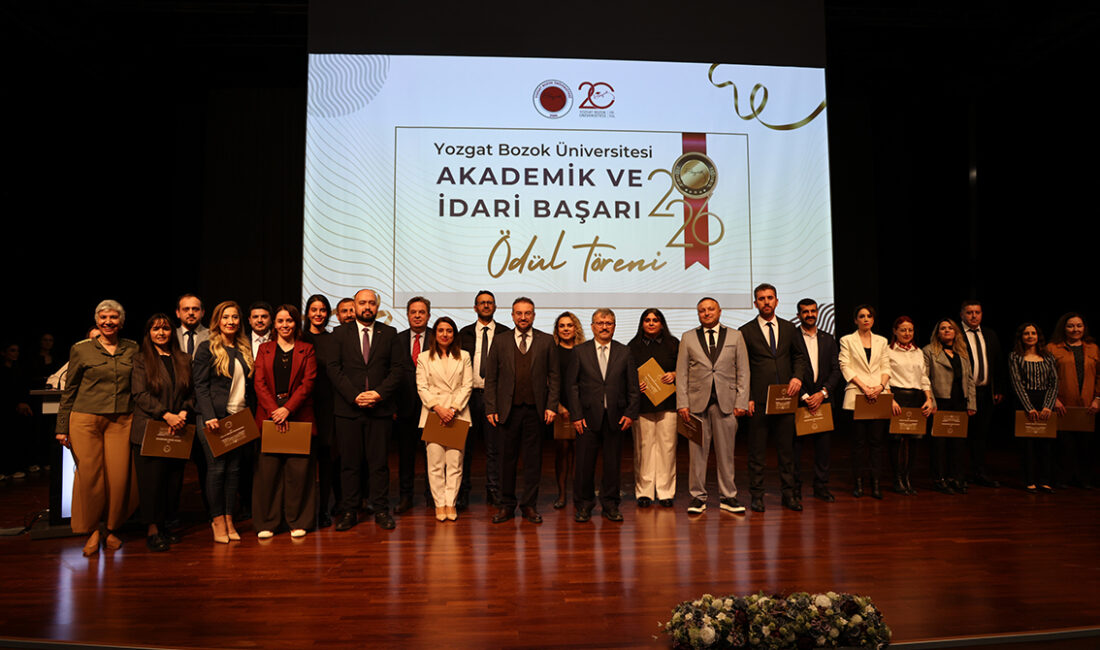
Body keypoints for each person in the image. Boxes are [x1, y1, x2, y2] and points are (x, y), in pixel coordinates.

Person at [55, 300, 139, 556]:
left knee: (118, 478)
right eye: (103, 317)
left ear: (121, 322)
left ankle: (112, 529)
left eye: (113, 318)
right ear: (97, 320)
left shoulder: (132, 348)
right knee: (91, 477)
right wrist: (62, 426)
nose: (108, 322)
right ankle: (92, 530)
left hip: (122, 420)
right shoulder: (81, 350)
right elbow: (70, 389)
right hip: (85, 419)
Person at [325, 289, 407, 531]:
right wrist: (355, 396)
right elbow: (333, 368)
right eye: (362, 303)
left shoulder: (389, 333)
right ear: (355, 305)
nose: (367, 307)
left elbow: (398, 369)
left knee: (379, 464)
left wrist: (378, 394)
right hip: (348, 410)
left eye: (372, 303)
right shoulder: (339, 334)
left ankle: (381, 509)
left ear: (377, 306)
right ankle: (350, 511)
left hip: (380, 410)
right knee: (349, 464)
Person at [484, 297, 559, 524]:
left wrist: (551, 406)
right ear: (512, 315)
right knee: (506, 461)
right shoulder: (500, 341)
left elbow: (555, 377)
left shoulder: (546, 341)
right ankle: (507, 506)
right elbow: (491, 379)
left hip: (536, 412)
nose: (523, 317)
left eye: (528, 313)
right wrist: (491, 407)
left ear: (534, 316)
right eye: (519, 313)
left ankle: (529, 506)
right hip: (507, 412)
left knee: (533, 461)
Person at [738, 284, 808, 512]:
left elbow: (799, 356)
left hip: (786, 399)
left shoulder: (790, 328)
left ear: (777, 301)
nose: (766, 302)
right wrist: (746, 396)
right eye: (761, 298)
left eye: (770, 298)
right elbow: (741, 367)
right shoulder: (745, 331)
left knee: (786, 451)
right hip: (757, 401)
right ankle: (757, 496)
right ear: (755, 303)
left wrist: (797, 377)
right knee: (757, 453)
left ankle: (789, 495)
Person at [677, 297, 750, 515]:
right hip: (696, 405)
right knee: (697, 454)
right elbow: (681, 373)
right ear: (698, 314)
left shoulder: (736, 336)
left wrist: (741, 401)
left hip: (727, 404)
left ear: (720, 311)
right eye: (702, 310)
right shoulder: (688, 337)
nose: (706, 313)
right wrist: (682, 403)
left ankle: (729, 496)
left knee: (726, 454)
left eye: (710, 309)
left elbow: (743, 371)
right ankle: (697, 497)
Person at [566, 309, 640, 523]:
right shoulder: (580, 351)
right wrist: (576, 415)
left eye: (609, 323)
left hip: (616, 418)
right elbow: (572, 387)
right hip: (587, 418)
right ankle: (584, 505)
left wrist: (630, 414)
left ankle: (610, 504)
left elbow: (633, 387)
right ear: (592, 326)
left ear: (614, 326)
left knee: (612, 465)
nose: (604, 326)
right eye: (600, 323)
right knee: (583, 465)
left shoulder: (624, 352)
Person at [252, 305, 318, 539]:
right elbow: (259, 383)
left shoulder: (307, 349)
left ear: (295, 323)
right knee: (268, 472)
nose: (285, 325)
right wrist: (275, 411)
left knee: (298, 472)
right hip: (270, 418)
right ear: (274, 324)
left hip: (298, 416)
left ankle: (298, 520)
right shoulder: (264, 349)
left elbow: (308, 383)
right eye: (280, 321)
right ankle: (268, 522)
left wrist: (288, 409)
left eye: (289, 320)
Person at [129, 314, 193, 552]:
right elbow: (140, 394)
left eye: (165, 329)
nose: (161, 333)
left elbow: (191, 393)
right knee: (151, 483)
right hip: (150, 428)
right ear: (149, 333)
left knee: (172, 483)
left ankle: (165, 525)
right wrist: (166, 415)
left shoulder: (184, 359)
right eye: (156, 329)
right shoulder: (140, 360)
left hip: (178, 429)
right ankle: (153, 530)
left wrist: (185, 412)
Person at [193, 300, 255, 543]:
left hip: (238, 419)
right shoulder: (207, 347)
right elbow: (200, 385)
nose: (231, 321)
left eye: (235, 317)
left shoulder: (243, 348)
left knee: (234, 471)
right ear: (218, 320)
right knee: (217, 469)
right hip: (213, 419)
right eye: (226, 317)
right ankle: (217, 519)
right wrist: (209, 416)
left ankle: (230, 519)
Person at [416, 317, 473, 522]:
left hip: (457, 414)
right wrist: (439, 408)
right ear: (435, 334)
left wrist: (453, 409)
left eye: (449, 331)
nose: (445, 334)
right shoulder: (424, 357)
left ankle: (451, 502)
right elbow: (421, 386)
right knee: (435, 464)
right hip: (433, 415)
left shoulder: (464, 356)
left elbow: (467, 385)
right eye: (441, 330)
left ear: (454, 334)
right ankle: (439, 504)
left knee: (455, 463)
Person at [458, 290, 511, 509]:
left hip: (495, 398)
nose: (486, 306)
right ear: (475, 307)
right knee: (464, 447)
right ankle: (462, 493)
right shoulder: (464, 333)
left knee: (494, 448)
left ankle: (494, 491)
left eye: (490, 303)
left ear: (495, 307)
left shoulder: (506, 333)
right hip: (468, 397)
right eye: (482, 303)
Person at [628, 308, 679, 508]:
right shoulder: (632, 346)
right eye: (647, 320)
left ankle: (666, 492)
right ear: (642, 323)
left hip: (669, 402)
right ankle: (645, 492)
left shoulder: (673, 344)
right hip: (642, 404)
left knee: (667, 448)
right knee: (644, 448)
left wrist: (673, 374)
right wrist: (634, 384)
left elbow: (686, 369)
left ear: (661, 323)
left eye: (655, 320)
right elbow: (626, 373)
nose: (651, 323)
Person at [839, 305, 891, 499]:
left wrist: (879, 387)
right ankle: (858, 483)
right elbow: (845, 366)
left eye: (869, 316)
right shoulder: (847, 340)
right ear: (855, 320)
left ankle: (876, 484)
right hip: (857, 394)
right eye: (862, 316)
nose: (866, 319)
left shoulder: (882, 341)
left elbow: (886, 366)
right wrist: (864, 387)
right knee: (859, 443)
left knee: (877, 443)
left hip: (878, 393)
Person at [794, 299, 842, 502]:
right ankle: (795, 489)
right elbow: (790, 369)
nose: (810, 315)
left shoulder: (828, 338)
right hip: (799, 399)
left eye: (813, 311)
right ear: (798, 315)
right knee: (795, 448)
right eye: (805, 312)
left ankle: (821, 486)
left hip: (822, 399)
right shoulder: (792, 337)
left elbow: (836, 369)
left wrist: (822, 393)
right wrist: (805, 396)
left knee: (823, 448)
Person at [923, 318, 976, 494]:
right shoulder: (929, 351)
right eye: (943, 328)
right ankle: (940, 478)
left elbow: (969, 380)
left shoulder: (962, 353)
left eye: (950, 328)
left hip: (959, 402)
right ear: (937, 333)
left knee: (958, 443)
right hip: (941, 401)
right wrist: (932, 402)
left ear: (955, 332)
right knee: (939, 444)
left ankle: (957, 477)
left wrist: (972, 403)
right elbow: (926, 379)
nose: (946, 331)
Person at [1048, 312, 1100, 489]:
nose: (1075, 329)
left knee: (1086, 445)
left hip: (1088, 406)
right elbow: (1047, 377)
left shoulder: (1093, 348)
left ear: (1084, 328)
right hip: (1062, 405)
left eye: (1079, 325)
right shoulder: (1052, 348)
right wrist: (1053, 399)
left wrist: (1097, 399)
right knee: (1064, 445)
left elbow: (1099, 376)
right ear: (1064, 328)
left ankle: (1085, 479)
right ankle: (1063, 478)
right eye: (1071, 326)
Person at [302, 294, 340, 527]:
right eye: (314, 309)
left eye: (323, 310)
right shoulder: (299, 339)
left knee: (327, 463)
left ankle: (324, 511)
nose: (318, 314)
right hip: (302, 407)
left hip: (327, 407)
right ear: (307, 313)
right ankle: (304, 513)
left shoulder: (334, 340)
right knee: (303, 464)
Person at [887, 316, 936, 495]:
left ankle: (907, 478)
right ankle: (897, 479)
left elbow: (924, 377)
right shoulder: (888, 351)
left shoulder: (918, 352)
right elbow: (884, 377)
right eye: (903, 330)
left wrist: (929, 399)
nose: (907, 333)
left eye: (910, 330)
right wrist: (889, 398)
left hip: (916, 397)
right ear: (895, 331)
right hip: (897, 396)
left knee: (913, 441)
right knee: (896, 441)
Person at [959, 301, 1006, 488]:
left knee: (981, 435)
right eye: (969, 312)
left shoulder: (990, 334)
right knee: (962, 435)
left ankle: (979, 472)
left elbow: (998, 362)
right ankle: (959, 473)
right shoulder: (957, 335)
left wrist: (999, 388)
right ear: (961, 314)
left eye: (977, 312)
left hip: (986, 392)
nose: (973, 316)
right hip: (964, 393)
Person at [1009, 323, 1058, 493]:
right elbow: (1017, 384)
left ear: (1038, 336)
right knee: (1027, 445)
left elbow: (1054, 383)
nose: (1030, 336)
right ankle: (1029, 480)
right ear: (1021, 337)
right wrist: (1029, 407)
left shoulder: (1048, 356)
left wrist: (1048, 406)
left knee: (1046, 444)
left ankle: (1044, 480)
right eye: (1026, 333)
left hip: (1045, 402)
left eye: (1033, 333)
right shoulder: (1015, 356)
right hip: (1024, 402)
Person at [395, 296, 433, 513]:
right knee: (406, 456)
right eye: (413, 312)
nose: (417, 315)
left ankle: (431, 496)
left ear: (428, 315)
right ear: (408, 315)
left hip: (431, 409)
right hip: (404, 408)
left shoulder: (436, 340)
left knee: (432, 455)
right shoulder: (396, 340)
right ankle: (405, 497)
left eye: (421, 312)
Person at [552, 312, 585, 509]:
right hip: (559, 409)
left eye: (569, 325)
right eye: (561, 326)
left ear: (576, 328)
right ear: (557, 330)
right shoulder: (552, 351)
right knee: (562, 454)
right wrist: (558, 406)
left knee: (580, 454)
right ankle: (562, 494)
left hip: (582, 409)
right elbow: (548, 381)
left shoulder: (585, 351)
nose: (565, 329)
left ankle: (578, 495)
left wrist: (579, 408)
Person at [175, 294, 208, 359]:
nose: (191, 313)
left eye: (195, 309)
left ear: (202, 313)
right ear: (178, 313)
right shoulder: (171, 335)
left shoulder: (212, 335)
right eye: (186, 309)